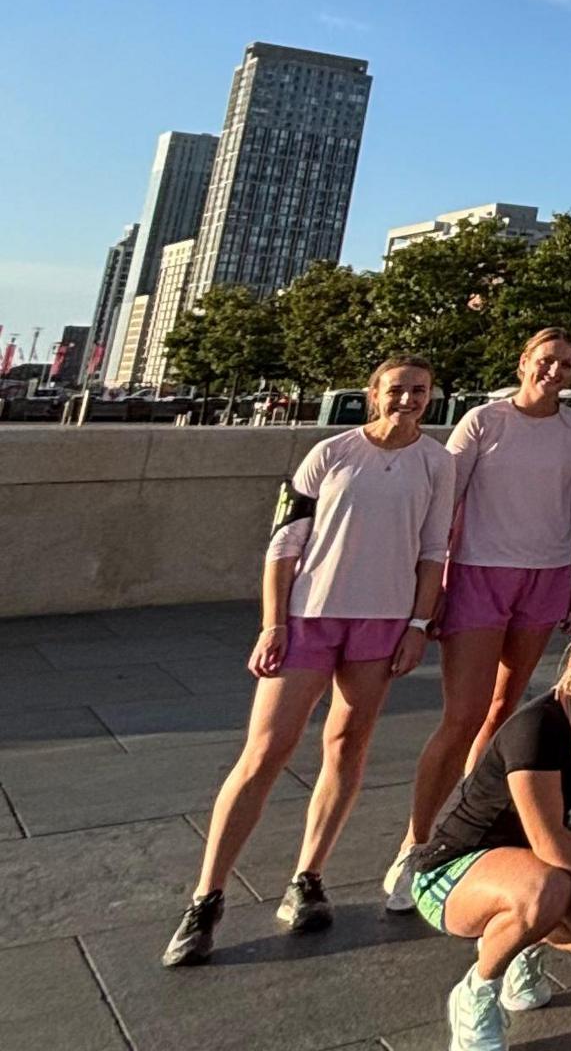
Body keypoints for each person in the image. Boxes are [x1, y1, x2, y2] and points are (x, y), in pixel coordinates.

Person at [166, 356, 454, 967]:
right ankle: (206, 895)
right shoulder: (330, 453)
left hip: (381, 621)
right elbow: (283, 543)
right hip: (310, 617)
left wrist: (418, 626)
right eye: (397, 389)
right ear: (374, 393)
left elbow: (433, 553)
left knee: (347, 745)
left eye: (420, 392)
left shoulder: (437, 462)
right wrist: (274, 623)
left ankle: (308, 876)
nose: (408, 400)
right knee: (266, 750)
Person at [391, 329, 571, 914]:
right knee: (463, 716)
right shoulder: (484, 420)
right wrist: (427, 589)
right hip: (481, 572)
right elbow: (444, 500)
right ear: (525, 361)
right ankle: (417, 843)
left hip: (547, 573)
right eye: (546, 360)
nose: (554, 371)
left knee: (508, 709)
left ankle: (469, 821)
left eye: (566, 364)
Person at [408, 612, 571, 1050]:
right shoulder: (538, 726)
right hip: (453, 871)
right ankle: (476, 993)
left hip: (528, 865)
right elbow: (549, 841)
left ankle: (524, 949)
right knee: (549, 889)